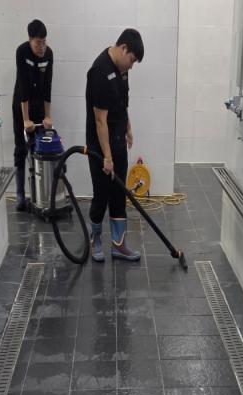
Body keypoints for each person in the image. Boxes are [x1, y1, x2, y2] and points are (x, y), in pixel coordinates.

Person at [85, 29, 144, 262]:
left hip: (118, 141)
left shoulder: (122, 70)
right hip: (100, 146)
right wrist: (107, 157)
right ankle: (95, 240)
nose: (132, 66)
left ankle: (119, 245)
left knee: (119, 194)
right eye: (132, 60)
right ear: (123, 48)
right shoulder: (100, 71)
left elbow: (122, 103)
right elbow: (100, 120)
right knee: (102, 194)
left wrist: (128, 128)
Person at [12, 19, 54, 211]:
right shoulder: (22, 52)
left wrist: (48, 116)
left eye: (44, 42)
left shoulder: (49, 54)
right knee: (21, 149)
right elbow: (23, 86)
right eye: (38, 43)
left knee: (41, 148)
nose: (42, 47)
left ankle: (40, 194)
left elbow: (48, 87)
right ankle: (20, 195)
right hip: (21, 106)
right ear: (30, 40)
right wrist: (26, 120)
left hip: (38, 107)